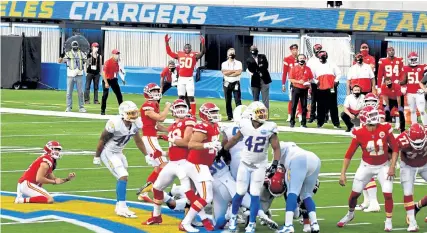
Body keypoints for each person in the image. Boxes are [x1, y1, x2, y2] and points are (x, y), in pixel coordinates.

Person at [220, 101, 281, 232]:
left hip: (259, 166)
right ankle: (233, 219)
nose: (263, 115)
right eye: (260, 112)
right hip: (245, 164)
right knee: (240, 192)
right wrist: (223, 150)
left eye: (264, 112)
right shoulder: (245, 125)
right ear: (251, 114)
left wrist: (275, 163)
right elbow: (235, 139)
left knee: (254, 194)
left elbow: (276, 148)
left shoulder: (270, 127)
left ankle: (252, 223)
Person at [337, 106, 399, 231]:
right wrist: (342, 173)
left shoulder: (385, 128)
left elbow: (395, 147)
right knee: (354, 195)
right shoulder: (359, 133)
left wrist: (392, 166)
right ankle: (350, 214)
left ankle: (388, 220)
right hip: (366, 166)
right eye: (371, 115)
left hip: (383, 166)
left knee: (388, 193)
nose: (375, 118)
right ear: (365, 118)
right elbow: (349, 154)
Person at [142, 99, 195, 225]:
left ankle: (190, 220)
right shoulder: (174, 125)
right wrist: (162, 153)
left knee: (190, 193)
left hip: (185, 163)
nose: (181, 109)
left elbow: (186, 142)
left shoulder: (189, 121)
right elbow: (174, 146)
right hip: (173, 163)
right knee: (156, 188)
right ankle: (156, 216)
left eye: (183, 106)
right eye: (178, 107)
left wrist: (168, 137)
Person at [92, 101, 147, 218]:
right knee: (123, 175)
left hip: (119, 152)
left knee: (123, 177)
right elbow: (102, 139)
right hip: (108, 152)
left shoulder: (136, 123)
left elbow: (138, 140)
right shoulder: (115, 123)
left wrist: (146, 155)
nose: (133, 115)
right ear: (123, 113)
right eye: (130, 113)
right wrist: (97, 156)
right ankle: (122, 207)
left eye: (134, 112)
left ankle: (119, 205)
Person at [178, 102, 221, 232]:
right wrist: (207, 145)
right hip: (197, 165)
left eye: (215, 112)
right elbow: (191, 144)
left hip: (203, 165)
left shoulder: (215, 126)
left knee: (197, 196)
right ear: (204, 114)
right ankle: (185, 223)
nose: (215, 115)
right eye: (212, 112)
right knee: (207, 197)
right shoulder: (202, 126)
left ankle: (192, 220)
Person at [276, 142, 321, 233]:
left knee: (292, 192)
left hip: (298, 160)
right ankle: (315, 224)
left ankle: (288, 225)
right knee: (306, 195)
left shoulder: (283, 149)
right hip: (315, 159)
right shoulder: (292, 148)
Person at [136, 83, 171, 199]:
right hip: (149, 138)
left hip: (152, 137)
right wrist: (167, 107)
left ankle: (144, 193)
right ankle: (156, 190)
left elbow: (157, 125)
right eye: (154, 91)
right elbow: (161, 118)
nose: (156, 93)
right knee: (164, 165)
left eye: (157, 91)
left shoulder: (154, 104)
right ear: (147, 92)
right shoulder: (148, 105)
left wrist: (170, 131)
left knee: (158, 167)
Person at [396, 123, 427, 232]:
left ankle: (417, 207)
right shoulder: (402, 139)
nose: (418, 146)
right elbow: (392, 150)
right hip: (408, 166)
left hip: (425, 164)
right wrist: (391, 165)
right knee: (408, 192)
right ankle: (412, 222)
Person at [165, 34, 205, 117]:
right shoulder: (180, 54)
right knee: (181, 97)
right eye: (186, 48)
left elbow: (202, 53)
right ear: (184, 49)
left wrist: (203, 43)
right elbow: (169, 52)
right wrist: (166, 42)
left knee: (191, 97)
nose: (187, 49)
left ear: (191, 49)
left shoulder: (194, 55)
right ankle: (179, 112)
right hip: (181, 79)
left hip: (189, 79)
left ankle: (193, 114)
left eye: (188, 48)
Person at [311, 51, 341, 128]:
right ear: (319, 58)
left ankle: (336, 123)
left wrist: (336, 81)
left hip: (331, 88)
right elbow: (311, 76)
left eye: (323, 57)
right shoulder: (315, 66)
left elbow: (338, 73)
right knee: (320, 105)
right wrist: (316, 81)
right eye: (321, 57)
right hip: (320, 88)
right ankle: (320, 123)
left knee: (333, 105)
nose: (322, 59)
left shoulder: (332, 64)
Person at [58, 40, 86, 113]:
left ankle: (81, 107)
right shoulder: (68, 54)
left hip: (79, 74)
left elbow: (87, 61)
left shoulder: (82, 53)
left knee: (80, 92)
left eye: (76, 45)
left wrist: (88, 57)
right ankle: (68, 107)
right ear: (72, 46)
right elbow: (59, 61)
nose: (75, 46)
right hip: (70, 75)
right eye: (74, 45)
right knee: (69, 92)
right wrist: (61, 55)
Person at [221, 105, 247, 180]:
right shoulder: (252, 127)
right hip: (250, 157)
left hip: (234, 157)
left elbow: (224, 145)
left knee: (236, 181)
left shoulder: (227, 128)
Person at [400, 51, 427, 125]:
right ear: (409, 60)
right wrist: (402, 86)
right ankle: (414, 125)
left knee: (421, 110)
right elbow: (403, 80)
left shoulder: (422, 67)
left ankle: (425, 126)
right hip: (410, 92)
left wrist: (425, 87)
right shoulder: (405, 68)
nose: (414, 61)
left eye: (415, 59)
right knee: (412, 110)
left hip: (419, 92)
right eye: (412, 59)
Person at [288, 54, 313, 128]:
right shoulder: (294, 68)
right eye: (300, 58)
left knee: (304, 106)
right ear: (298, 59)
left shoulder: (308, 69)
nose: (302, 59)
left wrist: (308, 82)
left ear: (305, 59)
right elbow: (291, 79)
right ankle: (292, 122)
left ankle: (303, 123)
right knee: (294, 106)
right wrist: (299, 82)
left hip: (304, 89)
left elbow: (311, 78)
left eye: (303, 58)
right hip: (296, 88)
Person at [246, 46, 272, 110]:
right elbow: (251, 69)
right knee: (255, 99)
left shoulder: (262, 57)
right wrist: (257, 72)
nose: (254, 54)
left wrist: (259, 71)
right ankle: (255, 115)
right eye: (252, 52)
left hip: (264, 80)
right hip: (255, 80)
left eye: (255, 51)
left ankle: (265, 116)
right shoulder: (249, 60)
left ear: (257, 51)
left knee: (265, 99)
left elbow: (266, 66)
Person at [101, 49, 124, 115]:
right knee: (105, 95)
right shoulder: (108, 62)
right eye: (116, 54)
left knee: (119, 95)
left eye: (118, 54)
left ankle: (122, 110)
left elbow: (119, 71)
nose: (117, 55)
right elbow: (104, 73)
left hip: (113, 79)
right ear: (113, 55)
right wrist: (106, 82)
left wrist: (122, 79)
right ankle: (102, 110)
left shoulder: (118, 62)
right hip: (107, 79)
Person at [221, 48, 243, 121]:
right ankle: (229, 116)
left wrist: (229, 73)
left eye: (233, 53)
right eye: (230, 53)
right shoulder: (224, 63)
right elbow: (224, 73)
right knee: (228, 100)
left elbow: (239, 72)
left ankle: (239, 116)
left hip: (236, 82)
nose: (232, 54)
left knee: (238, 100)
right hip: (226, 83)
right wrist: (233, 71)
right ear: (227, 55)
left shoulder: (239, 63)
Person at [282, 44, 300, 122]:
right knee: (291, 98)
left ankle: (299, 114)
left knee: (300, 99)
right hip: (292, 81)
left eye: (296, 50)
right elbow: (285, 72)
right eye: (293, 50)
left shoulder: (301, 58)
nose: (295, 51)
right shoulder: (287, 59)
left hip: (300, 81)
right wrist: (283, 84)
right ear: (291, 50)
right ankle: (290, 114)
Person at [307, 44, 323, 123]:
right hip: (314, 82)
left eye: (319, 49)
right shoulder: (311, 60)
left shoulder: (324, 59)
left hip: (323, 82)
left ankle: (322, 116)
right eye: (317, 49)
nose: (318, 51)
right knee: (313, 100)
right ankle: (312, 116)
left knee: (322, 100)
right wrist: (310, 84)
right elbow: (309, 73)